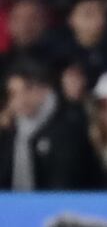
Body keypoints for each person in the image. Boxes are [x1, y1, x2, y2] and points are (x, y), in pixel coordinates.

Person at [0, 60, 96, 190]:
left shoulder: (67, 128)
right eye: (13, 94)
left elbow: (65, 182)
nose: (19, 100)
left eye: (26, 90)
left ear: (44, 90)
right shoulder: (10, 132)